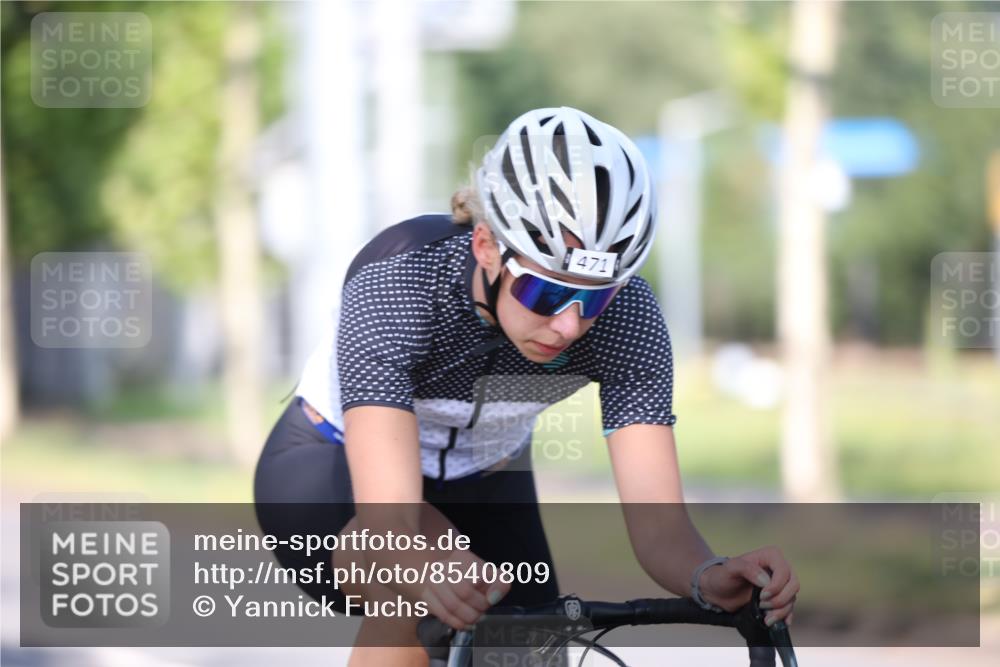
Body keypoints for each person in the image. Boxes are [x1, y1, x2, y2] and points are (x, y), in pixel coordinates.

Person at [254, 107, 799, 667]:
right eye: (544, 292)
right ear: (487, 247)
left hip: (487, 477)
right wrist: (422, 561)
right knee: (418, 586)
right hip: (334, 469)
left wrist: (709, 576)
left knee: (534, 653)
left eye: (594, 298)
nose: (568, 324)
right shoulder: (402, 281)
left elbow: (660, 529)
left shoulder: (629, 321)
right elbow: (390, 526)